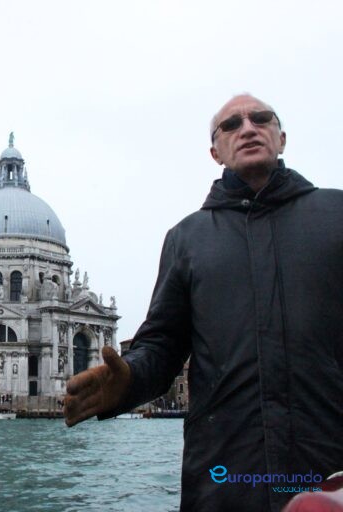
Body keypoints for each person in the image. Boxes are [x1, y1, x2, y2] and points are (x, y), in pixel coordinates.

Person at [64, 94, 343, 512]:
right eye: (231, 125)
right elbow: (161, 348)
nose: (248, 128)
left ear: (281, 138)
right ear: (216, 152)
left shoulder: (336, 214)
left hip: (331, 467)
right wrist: (129, 382)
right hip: (225, 479)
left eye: (260, 119)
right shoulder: (186, 238)